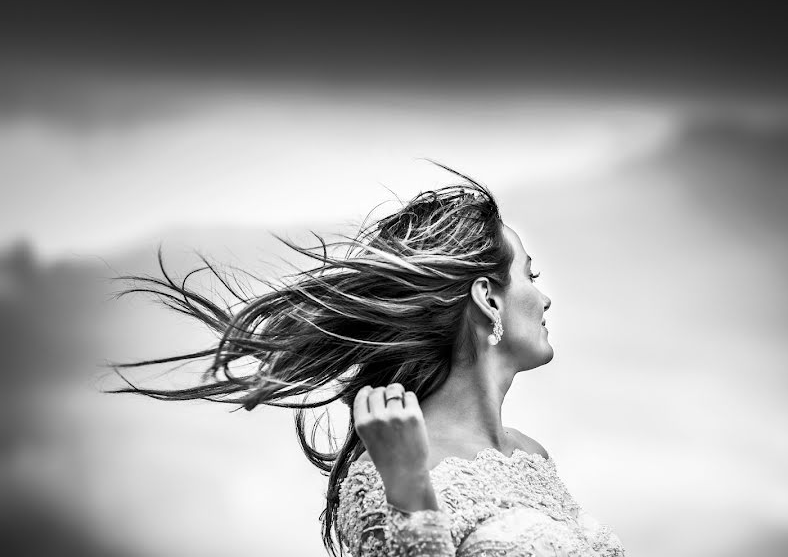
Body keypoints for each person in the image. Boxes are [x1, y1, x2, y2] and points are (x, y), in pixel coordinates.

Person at [110, 163, 624, 556]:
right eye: (529, 277)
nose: (544, 298)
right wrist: (408, 487)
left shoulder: (531, 457)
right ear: (488, 299)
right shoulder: (385, 469)